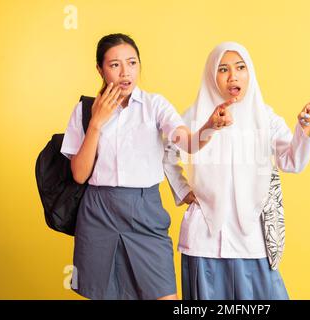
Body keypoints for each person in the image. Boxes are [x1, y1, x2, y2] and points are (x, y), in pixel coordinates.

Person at [60, 34, 235, 300]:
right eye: (115, 65)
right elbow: (79, 174)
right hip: (98, 212)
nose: (125, 72)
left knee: (164, 295)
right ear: (100, 69)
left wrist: (210, 125)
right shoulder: (84, 110)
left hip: (145, 209)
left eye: (132, 63)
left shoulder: (154, 106)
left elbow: (186, 142)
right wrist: (96, 123)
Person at [164, 42, 310, 299]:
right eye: (223, 69)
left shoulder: (265, 117)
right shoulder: (195, 114)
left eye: (240, 67)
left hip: (252, 238)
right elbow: (168, 151)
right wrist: (183, 189)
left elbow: (291, 161)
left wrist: (304, 129)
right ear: (211, 74)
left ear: (250, 72)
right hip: (204, 239)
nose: (233, 76)